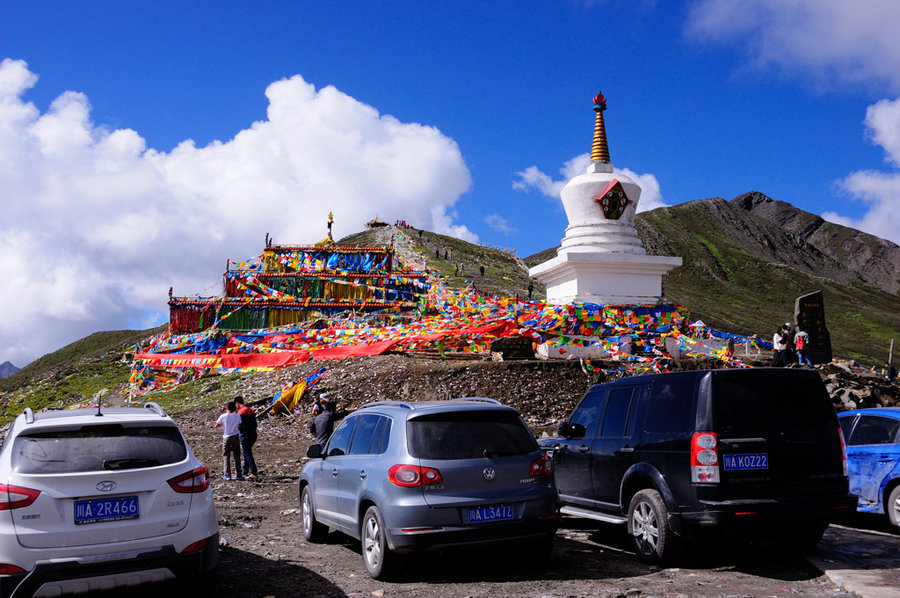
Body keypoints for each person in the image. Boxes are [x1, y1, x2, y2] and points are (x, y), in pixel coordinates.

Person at [215, 401, 243, 480]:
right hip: (235, 436)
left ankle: (227, 474)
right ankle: (239, 474)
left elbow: (216, 425)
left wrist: (223, 424)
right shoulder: (237, 416)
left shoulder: (223, 416)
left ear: (227, 408)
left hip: (226, 436)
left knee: (226, 456)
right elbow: (239, 425)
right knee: (237, 455)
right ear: (234, 408)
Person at [234, 396, 258, 480]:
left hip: (246, 434)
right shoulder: (250, 410)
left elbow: (239, 424)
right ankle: (245, 470)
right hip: (253, 434)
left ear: (237, 403)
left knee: (247, 453)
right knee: (246, 452)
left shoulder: (241, 412)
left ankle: (254, 471)